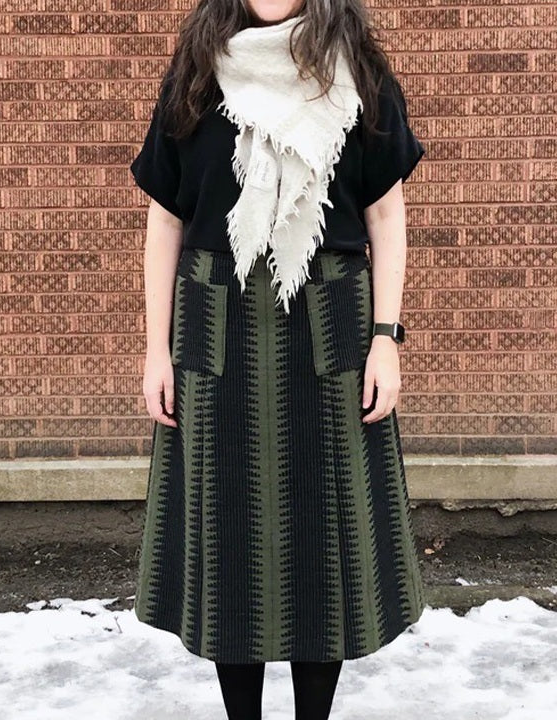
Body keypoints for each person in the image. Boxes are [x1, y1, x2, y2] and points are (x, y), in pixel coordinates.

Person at [129, 0, 427, 718]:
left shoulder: (358, 73)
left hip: (330, 337)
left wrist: (385, 337)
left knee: (320, 548)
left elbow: (386, 215)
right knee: (231, 545)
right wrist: (155, 349)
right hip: (216, 337)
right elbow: (166, 218)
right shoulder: (198, 73)